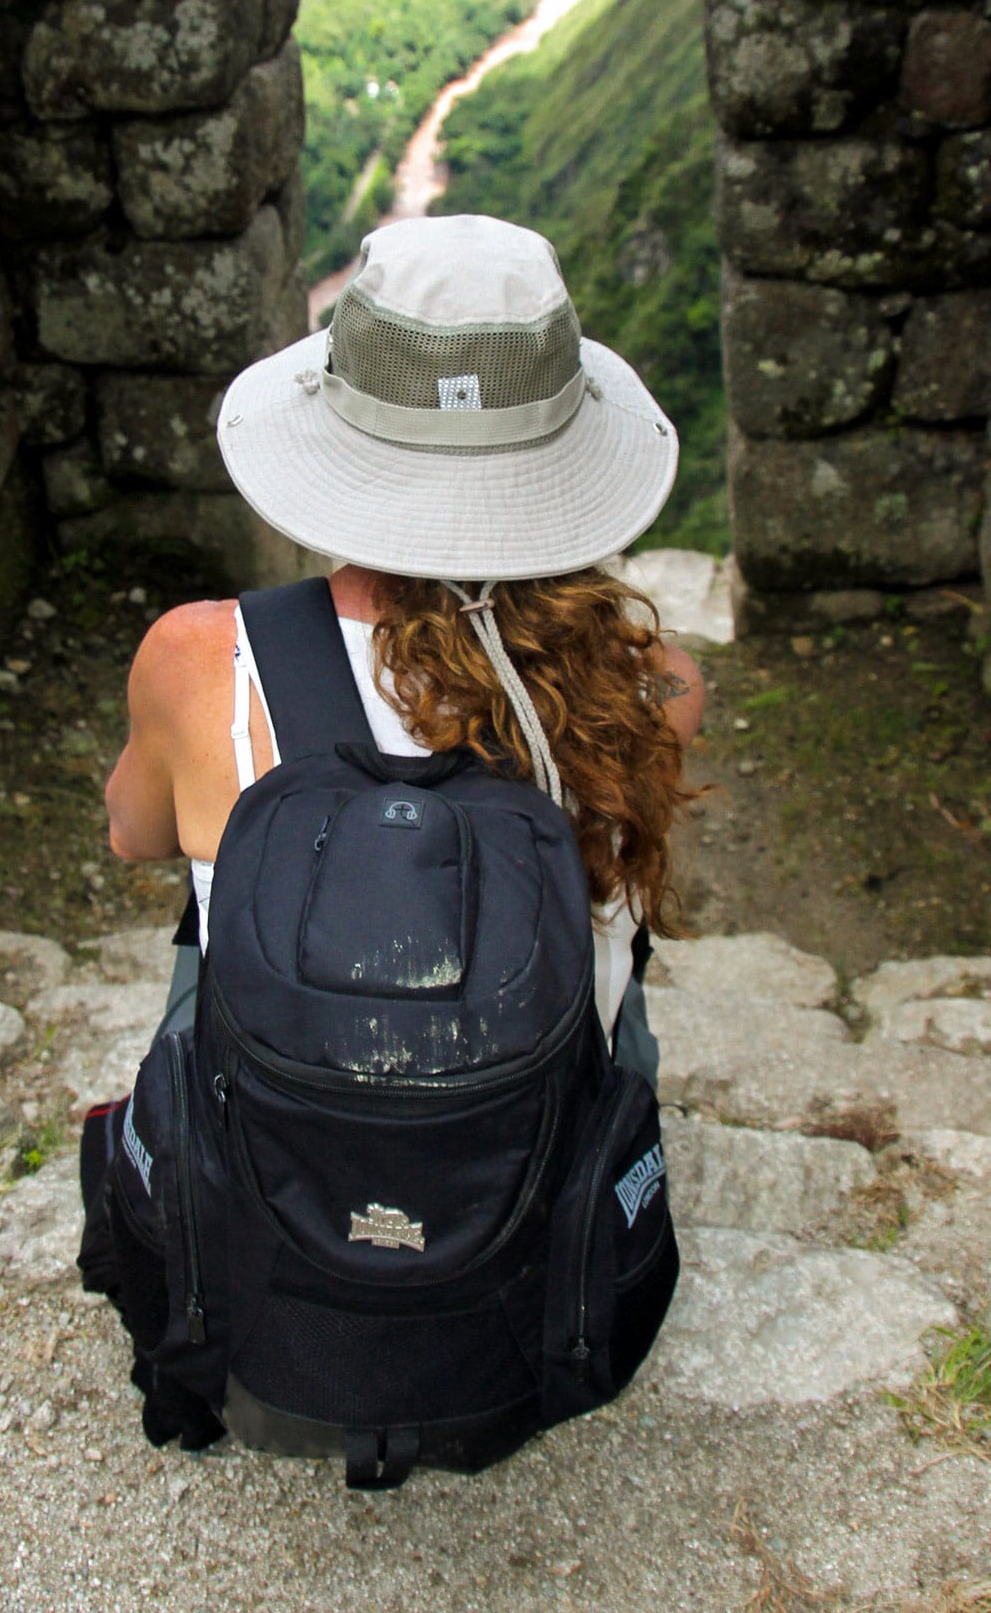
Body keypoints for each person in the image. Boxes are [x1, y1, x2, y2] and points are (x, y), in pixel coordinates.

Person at [103, 210, 705, 1080]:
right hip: (527, 1181)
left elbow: (133, 834)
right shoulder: (646, 688)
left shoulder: (199, 662)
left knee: (209, 949)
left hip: (288, 1175)